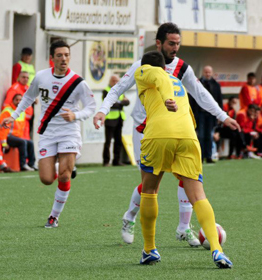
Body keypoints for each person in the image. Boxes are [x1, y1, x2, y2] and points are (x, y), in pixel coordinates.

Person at [93, 22, 240, 246]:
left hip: (174, 130)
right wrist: (103, 111)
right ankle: (129, 217)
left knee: (187, 177)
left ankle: (183, 228)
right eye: (171, 43)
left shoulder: (183, 68)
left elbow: (200, 94)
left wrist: (222, 116)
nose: (175, 48)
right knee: (151, 184)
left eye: (178, 43)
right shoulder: (141, 65)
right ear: (159, 43)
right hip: (145, 129)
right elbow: (117, 89)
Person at [135, 50, 232, 268]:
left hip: (159, 134)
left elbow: (157, 76)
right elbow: (189, 113)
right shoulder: (178, 83)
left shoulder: (147, 72)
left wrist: (167, 99)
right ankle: (217, 250)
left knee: (149, 191)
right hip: (188, 136)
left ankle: (149, 249)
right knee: (198, 195)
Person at [2, 40, 96, 227]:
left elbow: (91, 107)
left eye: (67, 55)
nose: (64, 59)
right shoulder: (41, 77)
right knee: (46, 179)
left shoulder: (78, 82)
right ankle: (67, 167)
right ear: (51, 58)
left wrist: (75, 115)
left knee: (63, 176)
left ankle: (53, 217)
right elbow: (28, 97)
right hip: (47, 132)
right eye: (59, 55)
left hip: (69, 132)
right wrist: (13, 116)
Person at [190, 66, 223, 163]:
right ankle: (199, 157)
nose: (207, 74)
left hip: (211, 115)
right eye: (206, 72)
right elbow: (192, 100)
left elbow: (219, 100)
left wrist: (220, 114)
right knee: (200, 136)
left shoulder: (216, 85)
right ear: (203, 72)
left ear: (212, 73)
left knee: (209, 135)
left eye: (209, 72)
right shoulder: (197, 83)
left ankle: (208, 156)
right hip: (200, 114)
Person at [0, 94, 36, 171]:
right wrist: (4, 143)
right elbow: (2, 128)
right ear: (12, 101)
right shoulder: (7, 111)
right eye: (17, 100)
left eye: (20, 100)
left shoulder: (22, 112)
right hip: (8, 136)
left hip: (17, 137)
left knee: (30, 142)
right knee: (23, 142)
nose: (18, 102)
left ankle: (31, 164)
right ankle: (23, 164)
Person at [102, 75, 130, 166]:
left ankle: (116, 161)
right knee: (108, 141)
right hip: (110, 119)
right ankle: (106, 161)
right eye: (113, 80)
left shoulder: (120, 91)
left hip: (119, 118)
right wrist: (121, 103)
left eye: (116, 81)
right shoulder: (106, 90)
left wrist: (119, 103)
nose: (115, 82)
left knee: (118, 141)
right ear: (110, 81)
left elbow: (127, 102)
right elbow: (110, 104)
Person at [3, 71, 33, 140]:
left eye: (27, 78)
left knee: (26, 143)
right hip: (17, 122)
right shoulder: (15, 89)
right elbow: (6, 105)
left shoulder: (27, 88)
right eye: (23, 77)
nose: (26, 79)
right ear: (19, 78)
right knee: (21, 145)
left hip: (25, 123)